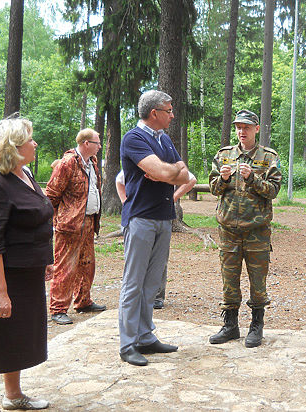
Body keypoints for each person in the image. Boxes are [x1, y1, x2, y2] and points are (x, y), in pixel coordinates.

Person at [0, 117, 51, 411]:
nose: (35, 143)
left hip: (25, 269)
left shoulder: (25, 174)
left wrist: (45, 260)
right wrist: (0, 292)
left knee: (18, 332)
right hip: (0, 272)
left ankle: (14, 395)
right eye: (30, 139)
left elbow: (39, 218)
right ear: (14, 147)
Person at [118, 90, 190, 366]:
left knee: (151, 284)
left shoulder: (164, 139)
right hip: (141, 218)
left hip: (163, 217)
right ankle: (127, 344)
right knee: (133, 283)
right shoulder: (133, 138)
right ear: (154, 113)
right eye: (168, 110)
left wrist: (170, 170)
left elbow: (183, 174)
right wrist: (169, 171)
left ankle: (146, 336)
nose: (172, 115)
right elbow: (164, 173)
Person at [208, 109, 281, 348]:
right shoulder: (224, 155)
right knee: (229, 279)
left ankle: (256, 325)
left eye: (247, 127)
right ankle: (230, 325)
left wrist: (253, 179)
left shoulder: (268, 157)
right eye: (239, 127)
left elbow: (273, 191)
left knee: (257, 280)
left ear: (256, 129)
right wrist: (224, 179)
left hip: (256, 230)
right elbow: (214, 188)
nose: (242, 131)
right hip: (228, 230)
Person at [46, 128, 106, 325]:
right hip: (70, 225)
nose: (100, 146)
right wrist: (59, 218)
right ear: (86, 143)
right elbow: (52, 194)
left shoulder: (92, 163)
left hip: (88, 221)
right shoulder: (68, 163)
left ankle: (83, 301)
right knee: (65, 267)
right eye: (97, 143)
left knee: (87, 265)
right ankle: (58, 309)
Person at [116, 168, 197, 309]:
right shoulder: (139, 160)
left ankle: (157, 296)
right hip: (139, 217)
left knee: (159, 259)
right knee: (136, 259)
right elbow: (119, 181)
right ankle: (135, 296)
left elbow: (191, 179)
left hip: (162, 216)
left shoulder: (168, 162)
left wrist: (174, 197)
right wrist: (126, 202)